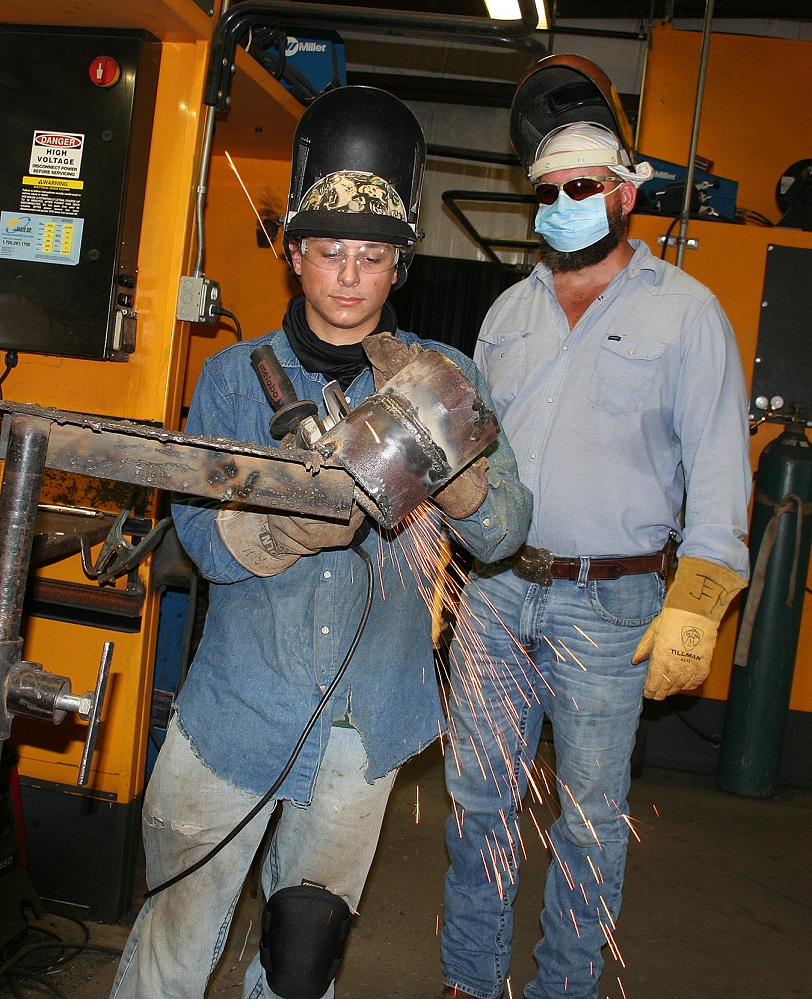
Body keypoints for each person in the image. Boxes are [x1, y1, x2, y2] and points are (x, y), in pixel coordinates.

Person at [109, 86, 531, 999]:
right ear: (294, 253)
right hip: (236, 707)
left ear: (399, 266)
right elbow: (199, 539)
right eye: (329, 252)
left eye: (372, 257)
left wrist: (455, 467)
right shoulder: (233, 378)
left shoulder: (440, 375)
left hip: (365, 721)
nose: (348, 276)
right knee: (176, 928)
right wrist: (278, 527)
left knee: (305, 951)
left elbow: (504, 534)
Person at [435, 55, 751, 999]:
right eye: (551, 188)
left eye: (585, 186)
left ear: (624, 195)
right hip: (495, 593)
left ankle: (562, 990)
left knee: (587, 819)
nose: (565, 199)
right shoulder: (507, 311)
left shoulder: (688, 316)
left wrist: (698, 601)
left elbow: (724, 477)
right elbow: (472, 459)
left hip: (609, 607)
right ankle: (468, 980)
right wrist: (452, 573)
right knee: (478, 803)